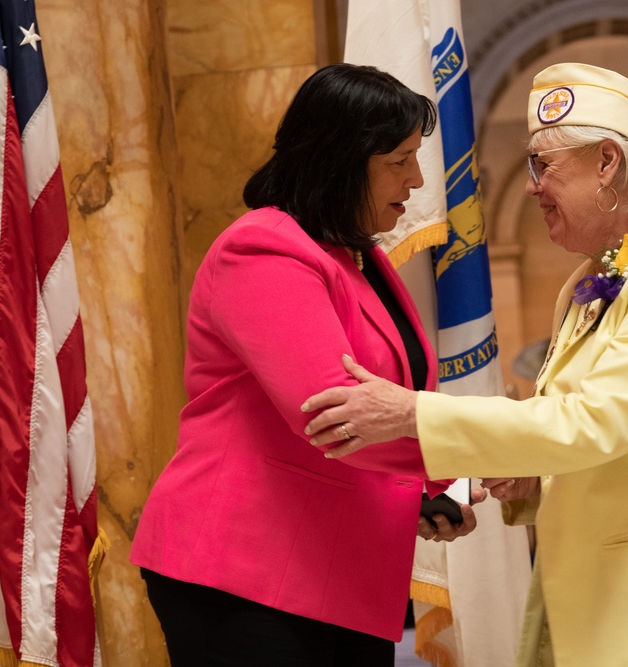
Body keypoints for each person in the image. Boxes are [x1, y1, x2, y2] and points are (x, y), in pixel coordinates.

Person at [302, 63, 628, 667]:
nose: (530, 186)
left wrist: (410, 413)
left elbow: (597, 421)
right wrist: (529, 476)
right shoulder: (597, 277)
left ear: (608, 163)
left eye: (543, 165)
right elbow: (606, 433)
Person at [129, 63, 483, 667]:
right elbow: (334, 413)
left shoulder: (356, 256)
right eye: (399, 160)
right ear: (342, 158)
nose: (417, 179)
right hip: (245, 573)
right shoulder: (263, 247)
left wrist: (423, 493)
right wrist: (481, 456)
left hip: (333, 573)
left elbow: (385, 401)